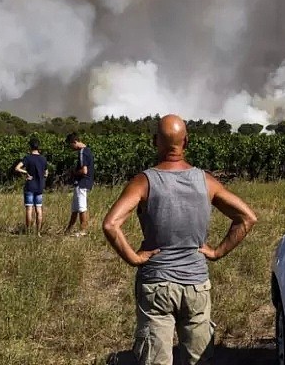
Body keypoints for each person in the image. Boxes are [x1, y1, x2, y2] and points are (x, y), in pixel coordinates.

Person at [102, 114, 258, 365]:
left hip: (156, 285)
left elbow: (111, 224)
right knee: (198, 359)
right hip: (196, 284)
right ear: (186, 142)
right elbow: (247, 218)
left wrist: (134, 258)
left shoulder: (144, 181)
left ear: (155, 142)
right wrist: (217, 252)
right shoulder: (206, 181)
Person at [14, 137, 49, 235]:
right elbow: (46, 173)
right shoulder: (43, 159)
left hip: (30, 186)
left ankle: (28, 232)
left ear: (30, 146)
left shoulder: (27, 158)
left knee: (29, 209)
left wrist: (26, 173)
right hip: (39, 187)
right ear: (38, 147)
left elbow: (17, 168)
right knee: (39, 209)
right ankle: (38, 233)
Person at [62, 132, 94, 237]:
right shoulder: (88, 150)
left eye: (71, 145)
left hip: (82, 183)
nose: (71, 148)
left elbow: (84, 170)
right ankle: (68, 230)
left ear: (75, 142)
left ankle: (83, 230)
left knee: (81, 207)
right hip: (83, 183)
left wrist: (73, 173)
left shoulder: (82, 152)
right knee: (75, 208)